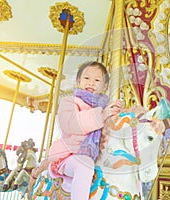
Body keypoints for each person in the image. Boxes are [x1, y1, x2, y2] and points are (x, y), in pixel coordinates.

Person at [48, 61, 123, 200]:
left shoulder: (105, 107)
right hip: (69, 155)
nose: (91, 83)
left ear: (105, 86)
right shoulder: (69, 102)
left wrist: (117, 113)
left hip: (98, 156)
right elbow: (71, 124)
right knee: (84, 165)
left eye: (97, 80)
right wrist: (102, 114)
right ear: (79, 81)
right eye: (87, 78)